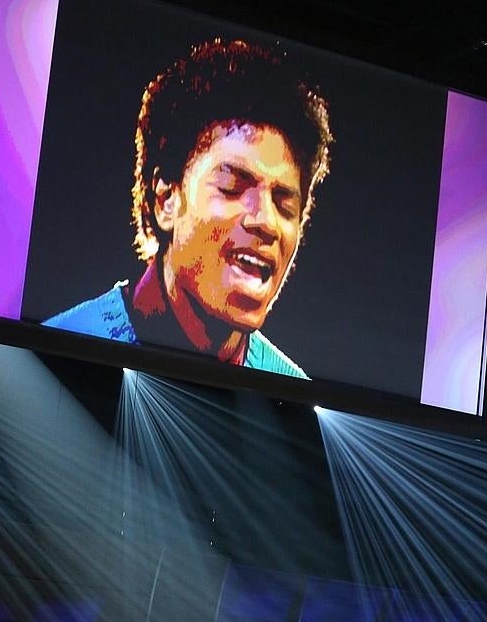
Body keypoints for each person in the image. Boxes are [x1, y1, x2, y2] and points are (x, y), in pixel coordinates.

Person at [43, 39, 333, 378]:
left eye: (285, 205)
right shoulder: (55, 355)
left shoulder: (293, 392)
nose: (266, 222)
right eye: (232, 187)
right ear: (166, 199)